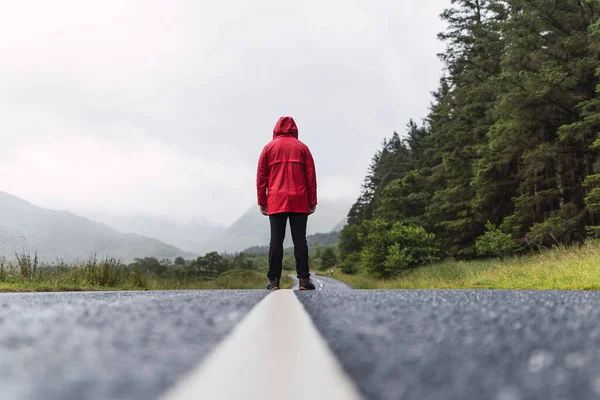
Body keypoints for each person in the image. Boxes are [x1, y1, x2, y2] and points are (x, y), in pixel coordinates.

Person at [256, 116, 317, 290]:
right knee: (300, 240)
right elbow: (311, 177)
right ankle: (304, 280)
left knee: (276, 240)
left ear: (276, 129)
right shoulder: (302, 148)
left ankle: (274, 281)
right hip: (299, 199)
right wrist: (312, 201)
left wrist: (262, 200)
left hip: (276, 200)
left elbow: (261, 178)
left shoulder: (268, 148)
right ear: (294, 129)